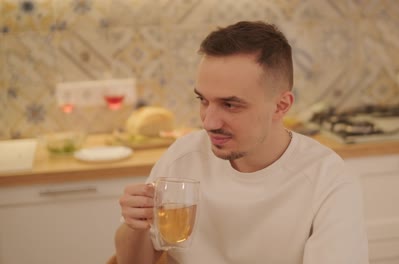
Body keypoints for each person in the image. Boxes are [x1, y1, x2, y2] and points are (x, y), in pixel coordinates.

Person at [115, 21, 369, 264]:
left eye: (230, 104)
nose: (209, 122)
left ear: (281, 106)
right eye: (203, 100)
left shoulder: (328, 179)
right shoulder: (182, 156)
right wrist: (134, 225)